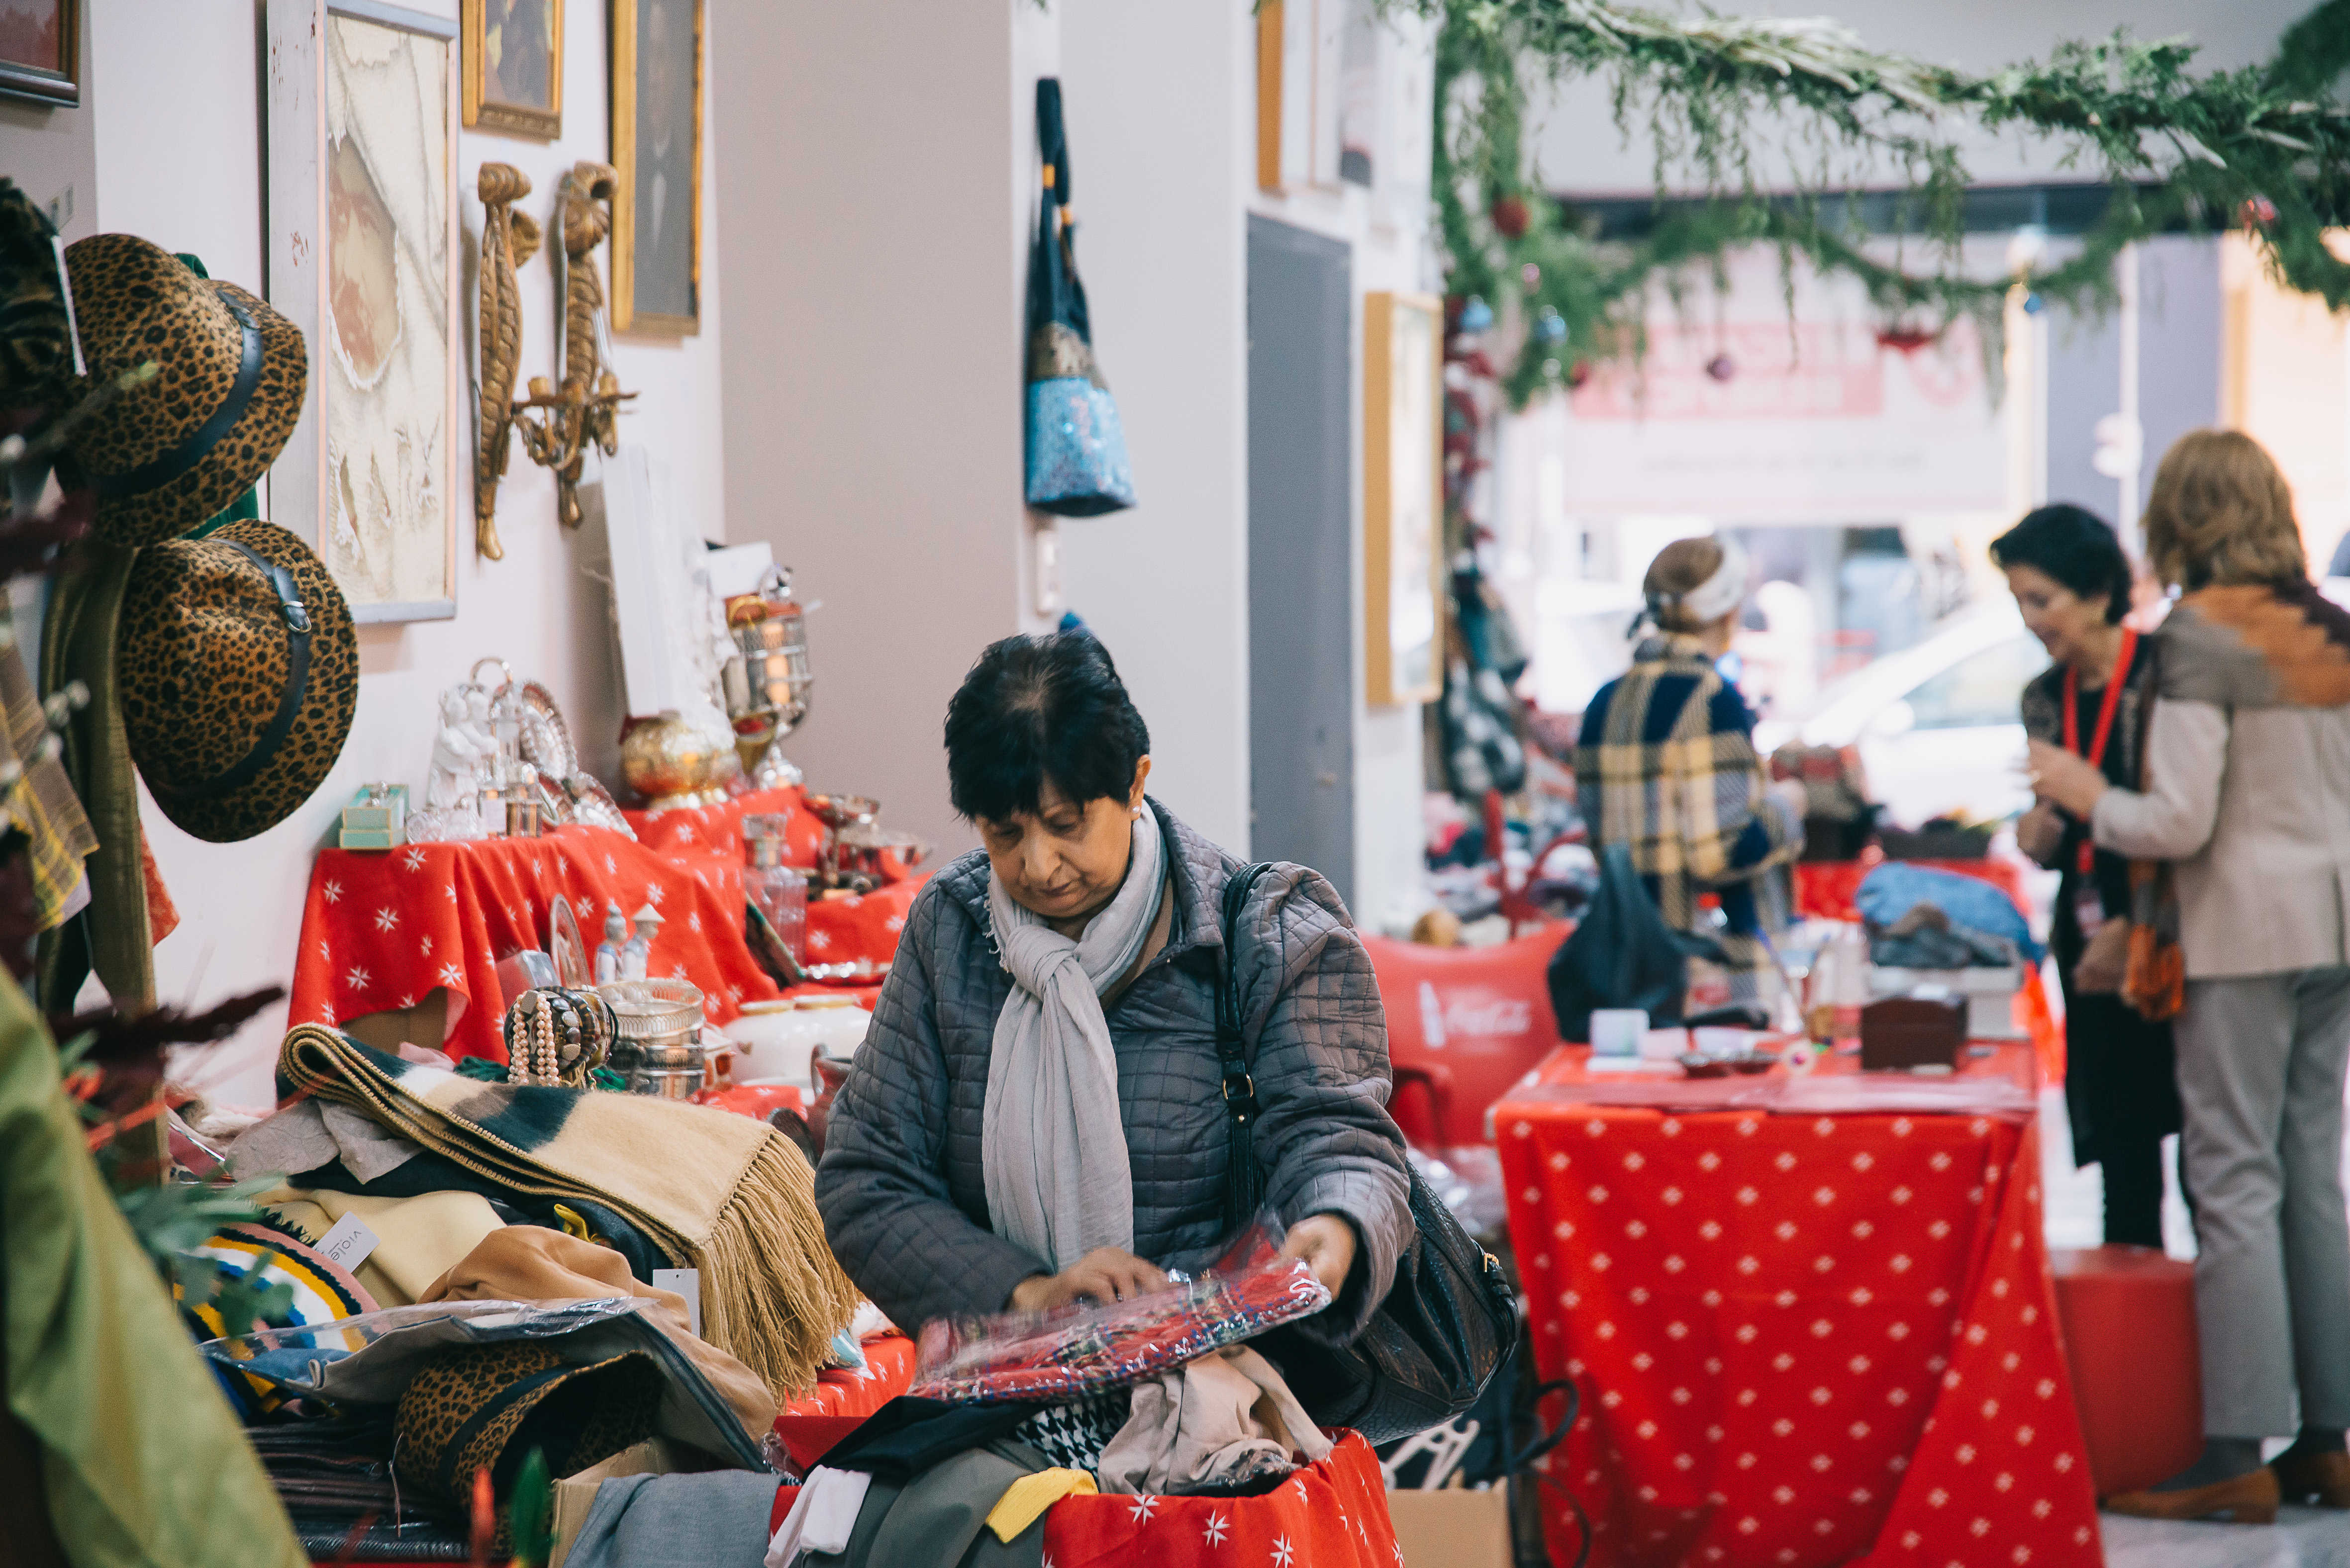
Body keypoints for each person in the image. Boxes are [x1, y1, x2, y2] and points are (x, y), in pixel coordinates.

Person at [815, 631, 1412, 1471]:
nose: (1038, 865)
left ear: (1134, 782)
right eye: (1004, 832)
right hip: (1007, 1421)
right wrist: (1033, 1293)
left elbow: (1340, 1140)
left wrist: (1335, 1224)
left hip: (1226, 1426)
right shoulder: (953, 931)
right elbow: (867, 1178)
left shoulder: (1265, 930)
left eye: (1066, 825)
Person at [2031, 430, 2350, 1522]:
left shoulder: (2194, 638)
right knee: (2310, 1174)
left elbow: (2174, 820)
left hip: (2237, 932)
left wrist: (2084, 792)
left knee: (2231, 1180)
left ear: (2178, 517)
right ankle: (2325, 1440)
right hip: (2335, 929)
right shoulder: (2332, 627)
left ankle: (2229, 1447)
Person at [1994, 503, 2180, 1250]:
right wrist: (2036, 834)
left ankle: (2213, 1314)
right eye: (2019, 603)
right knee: (2119, 1146)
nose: (2030, 621)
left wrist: (2139, 924)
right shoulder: (2043, 698)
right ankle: (2130, 1311)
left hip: (2168, 925)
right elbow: (2057, 829)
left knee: (2206, 1154)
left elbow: (2185, 821)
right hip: (2086, 929)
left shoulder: (2164, 676)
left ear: (2100, 592)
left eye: (2042, 600)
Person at [1574, 535, 1806, 1014]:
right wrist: (1789, 804)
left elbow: (1605, 846)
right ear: (1729, 611)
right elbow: (1720, 854)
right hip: (1713, 985)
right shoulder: (1711, 698)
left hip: (1630, 970)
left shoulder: (1605, 703)